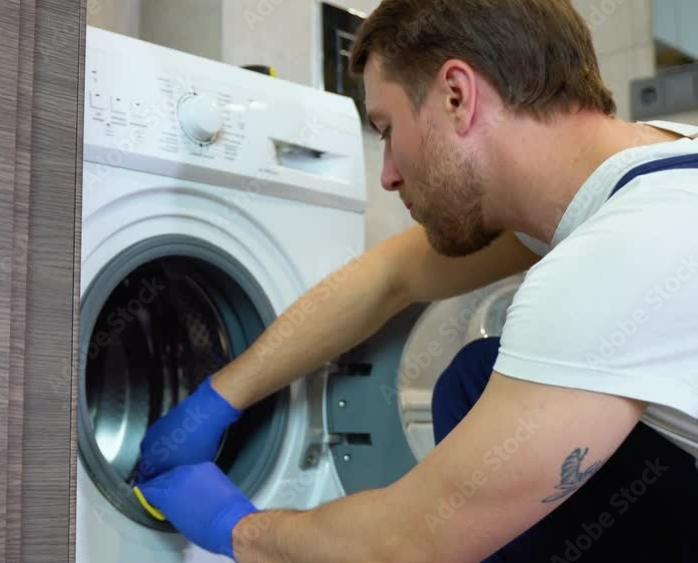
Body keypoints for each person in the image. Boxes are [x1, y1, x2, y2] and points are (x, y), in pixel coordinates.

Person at [133, 0, 698, 561]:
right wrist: (218, 398)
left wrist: (236, 529)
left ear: (457, 96)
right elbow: (391, 278)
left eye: (386, 128)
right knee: (476, 378)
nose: (387, 175)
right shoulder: (645, 171)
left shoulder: (625, 249)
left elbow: (407, 548)